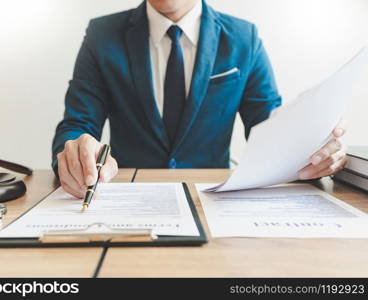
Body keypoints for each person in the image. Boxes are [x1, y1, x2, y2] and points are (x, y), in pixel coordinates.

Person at [52, 0, 347, 198]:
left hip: (212, 197)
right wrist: (77, 153)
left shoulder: (244, 37)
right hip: (127, 194)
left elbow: (269, 129)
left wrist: (311, 151)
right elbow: (77, 124)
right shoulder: (102, 35)